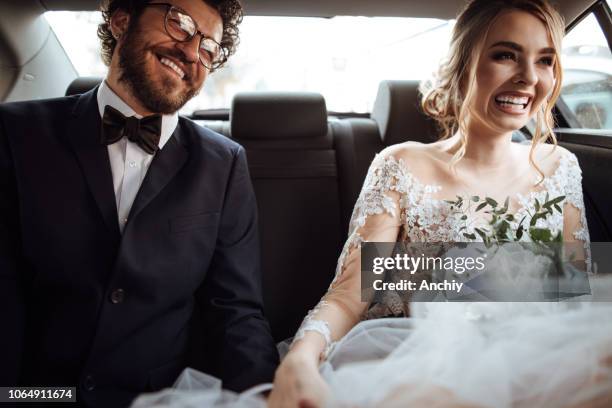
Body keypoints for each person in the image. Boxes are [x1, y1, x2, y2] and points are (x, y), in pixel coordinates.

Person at [268, 0, 612, 407]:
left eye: (545, 61)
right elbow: (349, 295)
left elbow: (575, 294)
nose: (527, 78)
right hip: (419, 367)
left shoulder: (560, 168)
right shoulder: (402, 166)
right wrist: (301, 358)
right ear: (465, 62)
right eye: (506, 55)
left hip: (536, 366)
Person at [0, 0, 279, 407]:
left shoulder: (223, 164)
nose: (190, 51)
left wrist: (265, 398)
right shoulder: (16, 134)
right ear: (121, 20)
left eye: (208, 49)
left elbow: (235, 313)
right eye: (180, 24)